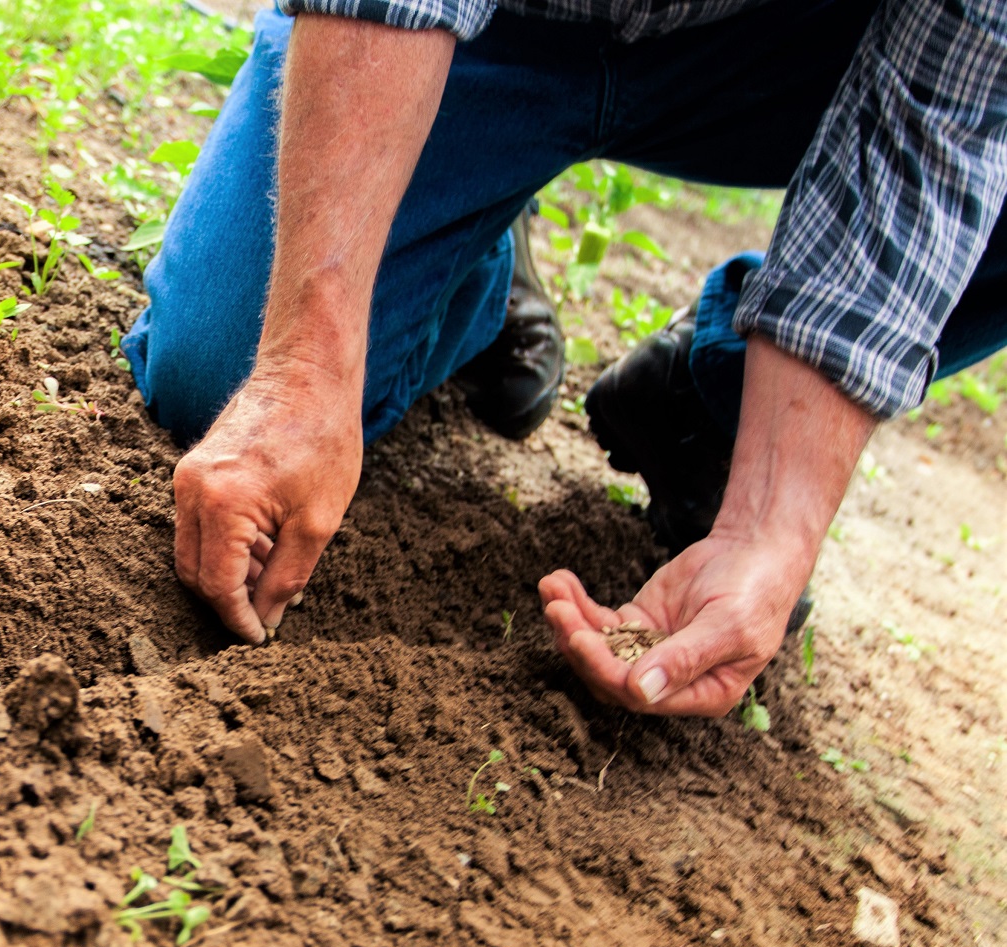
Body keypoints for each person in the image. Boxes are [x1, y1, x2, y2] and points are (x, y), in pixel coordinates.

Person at [122, 0, 1007, 717]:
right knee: (221, 373)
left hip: (782, 50)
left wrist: (769, 529)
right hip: (499, 27)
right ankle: (473, 247)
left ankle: (720, 405)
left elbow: (941, 126)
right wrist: (305, 369)